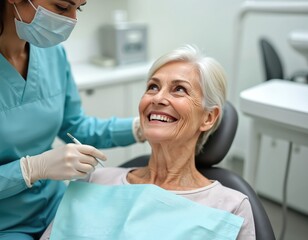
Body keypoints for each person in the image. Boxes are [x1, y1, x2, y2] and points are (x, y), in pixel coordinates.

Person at [41, 45, 256, 239]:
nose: (157, 98)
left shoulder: (232, 208)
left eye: (179, 89)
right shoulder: (93, 180)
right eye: (153, 87)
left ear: (208, 118)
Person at [0, 0, 144, 239]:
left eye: (80, 7)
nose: (72, 20)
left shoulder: (51, 52)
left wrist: (139, 128)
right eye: (61, 6)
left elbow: (77, 127)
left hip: (57, 207)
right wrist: (30, 169)